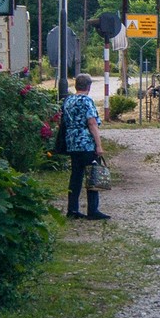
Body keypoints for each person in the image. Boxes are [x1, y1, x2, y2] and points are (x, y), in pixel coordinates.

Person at [63, 72, 109, 220]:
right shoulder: (86, 101)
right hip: (86, 143)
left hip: (72, 143)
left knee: (75, 177)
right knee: (92, 175)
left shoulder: (68, 101)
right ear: (88, 86)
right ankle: (93, 209)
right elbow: (92, 123)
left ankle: (72, 209)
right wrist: (99, 145)